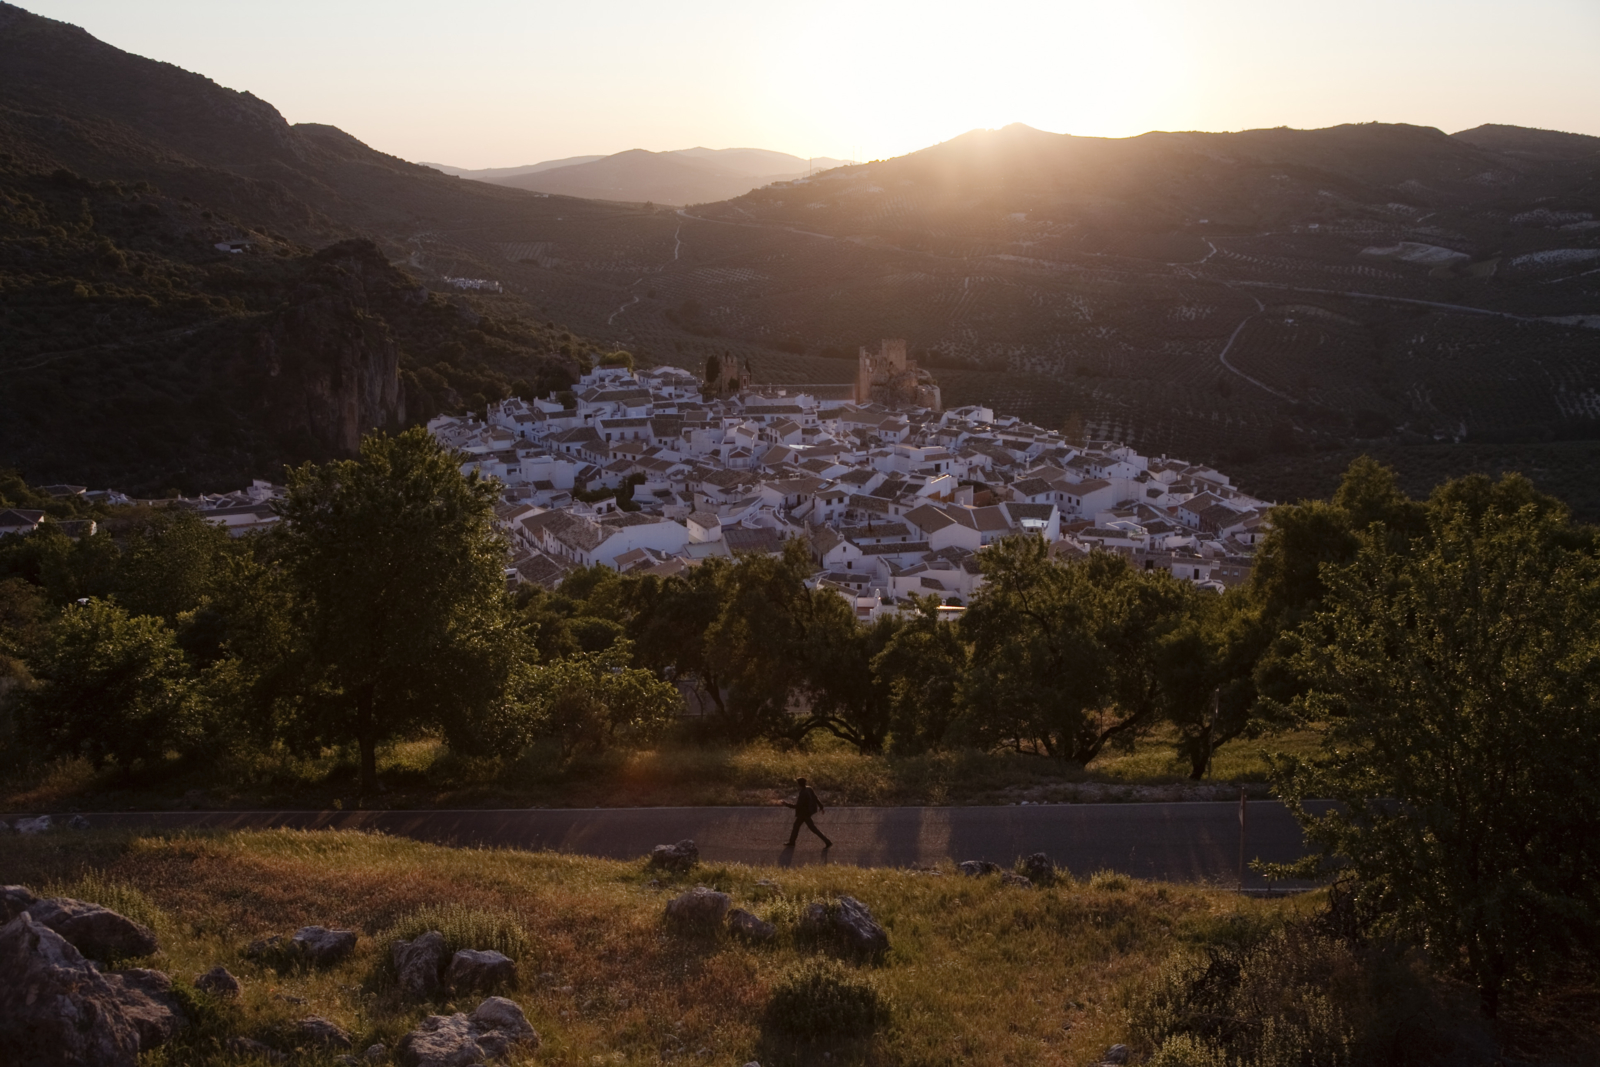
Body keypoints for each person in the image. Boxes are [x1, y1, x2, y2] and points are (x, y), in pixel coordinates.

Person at [782, 776, 832, 848]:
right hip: (806, 813)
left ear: (799, 784)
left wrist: (786, 804)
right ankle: (792, 841)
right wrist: (821, 807)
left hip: (803, 814)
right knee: (797, 826)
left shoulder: (803, 793)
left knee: (812, 828)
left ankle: (827, 842)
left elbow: (798, 806)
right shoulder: (809, 789)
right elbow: (815, 798)